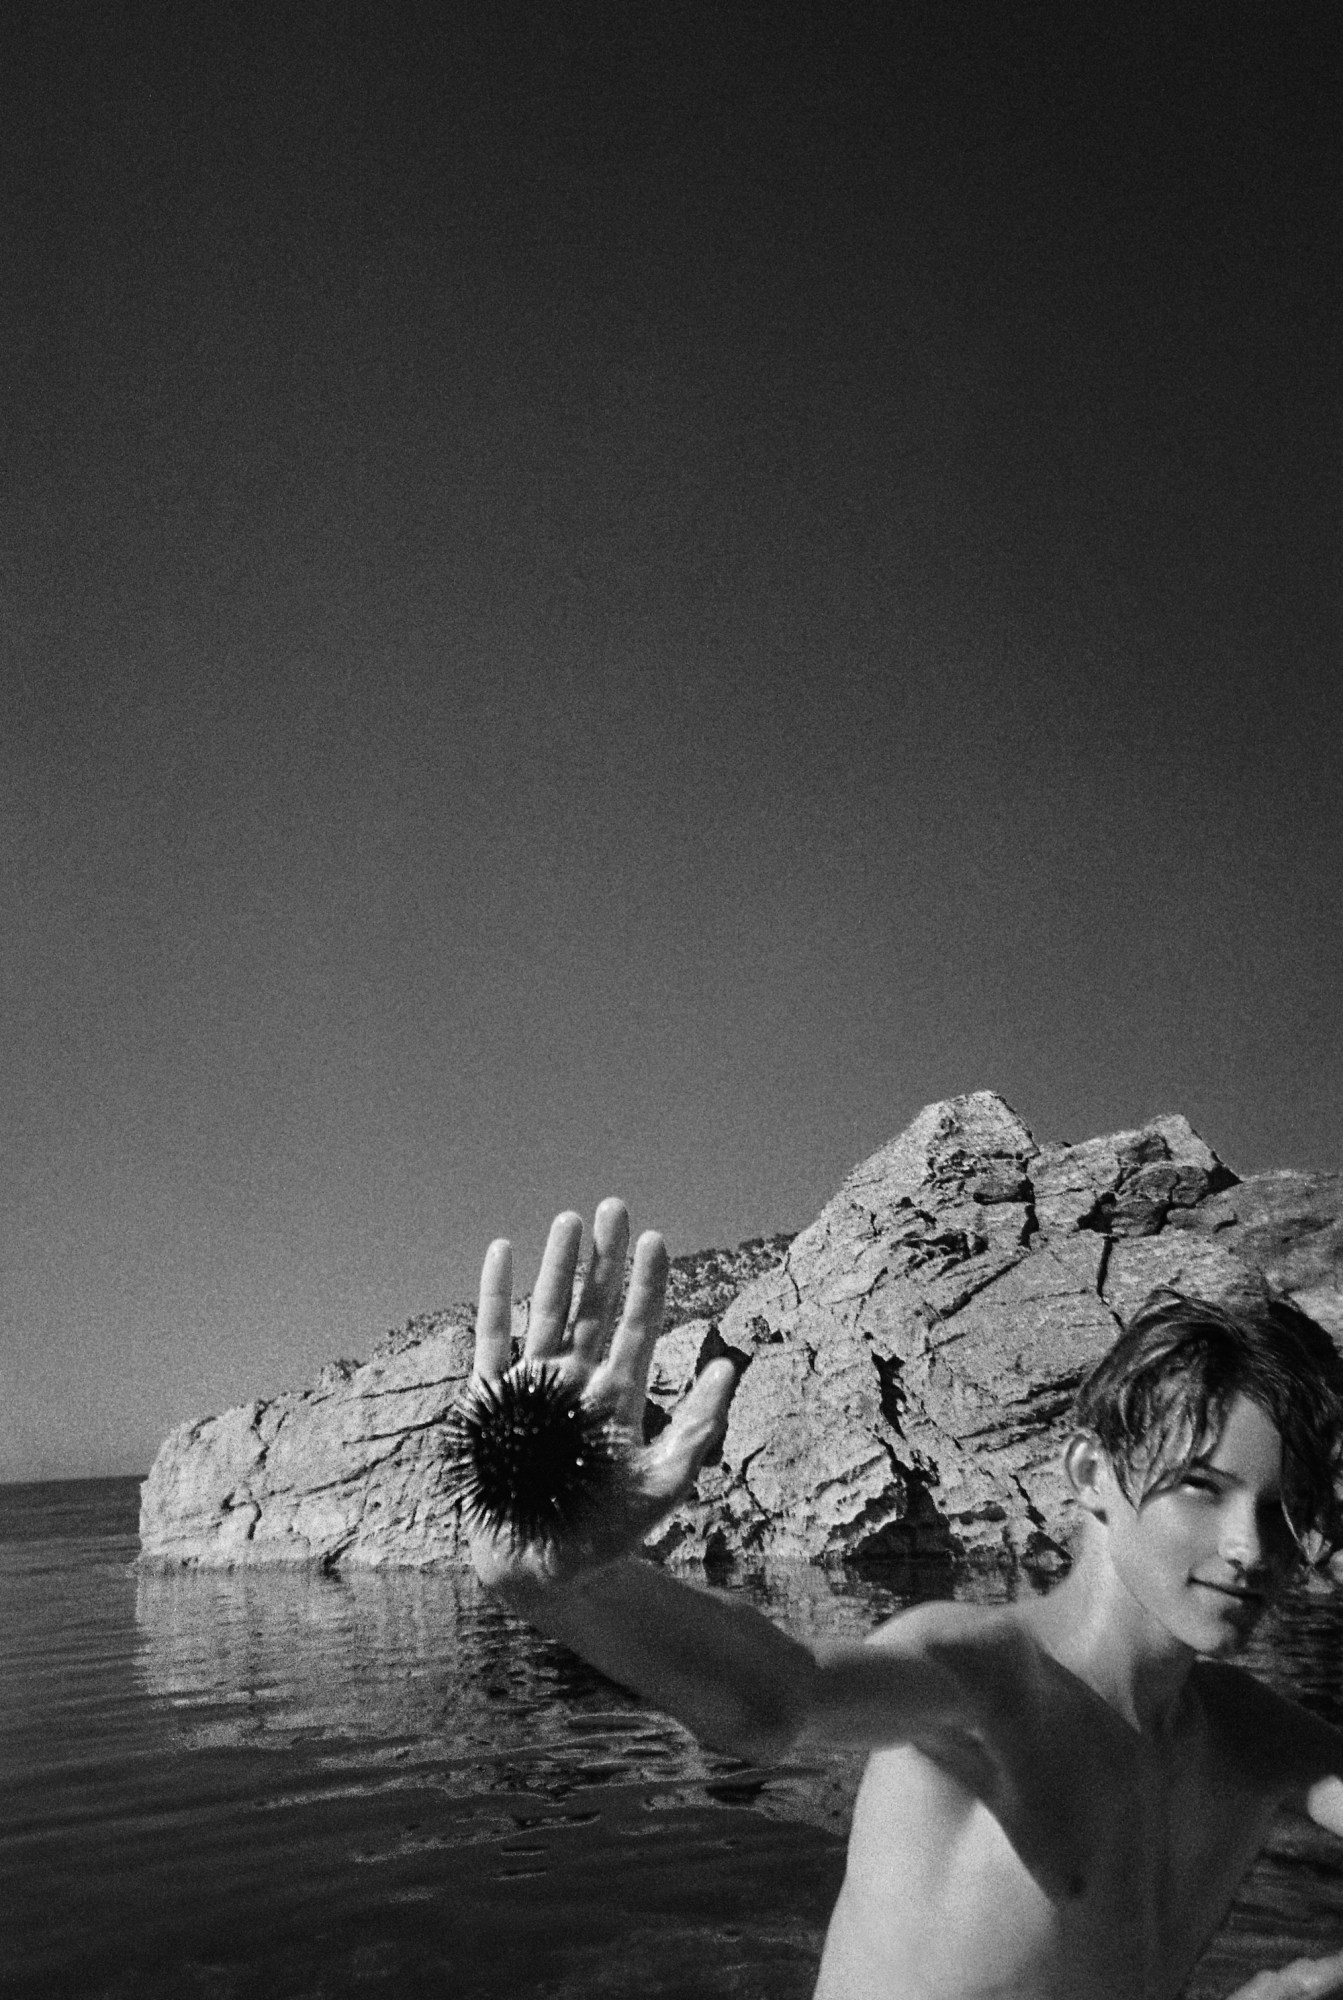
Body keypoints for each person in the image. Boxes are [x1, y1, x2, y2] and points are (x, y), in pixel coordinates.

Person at [466, 1196, 1343, 2000]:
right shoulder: (991, 1679)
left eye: (1279, 1507)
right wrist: (553, 1582)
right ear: (1090, 1474)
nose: (1249, 1547)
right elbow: (778, 1698)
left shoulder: (1251, 1737)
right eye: (1200, 1485)